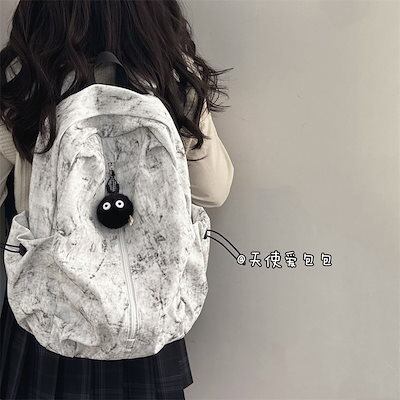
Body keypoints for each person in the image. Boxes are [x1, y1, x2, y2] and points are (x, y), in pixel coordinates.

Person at [0, 0, 234, 399]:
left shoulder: (23, 78)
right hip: (145, 308)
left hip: (53, 307)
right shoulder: (168, 76)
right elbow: (213, 190)